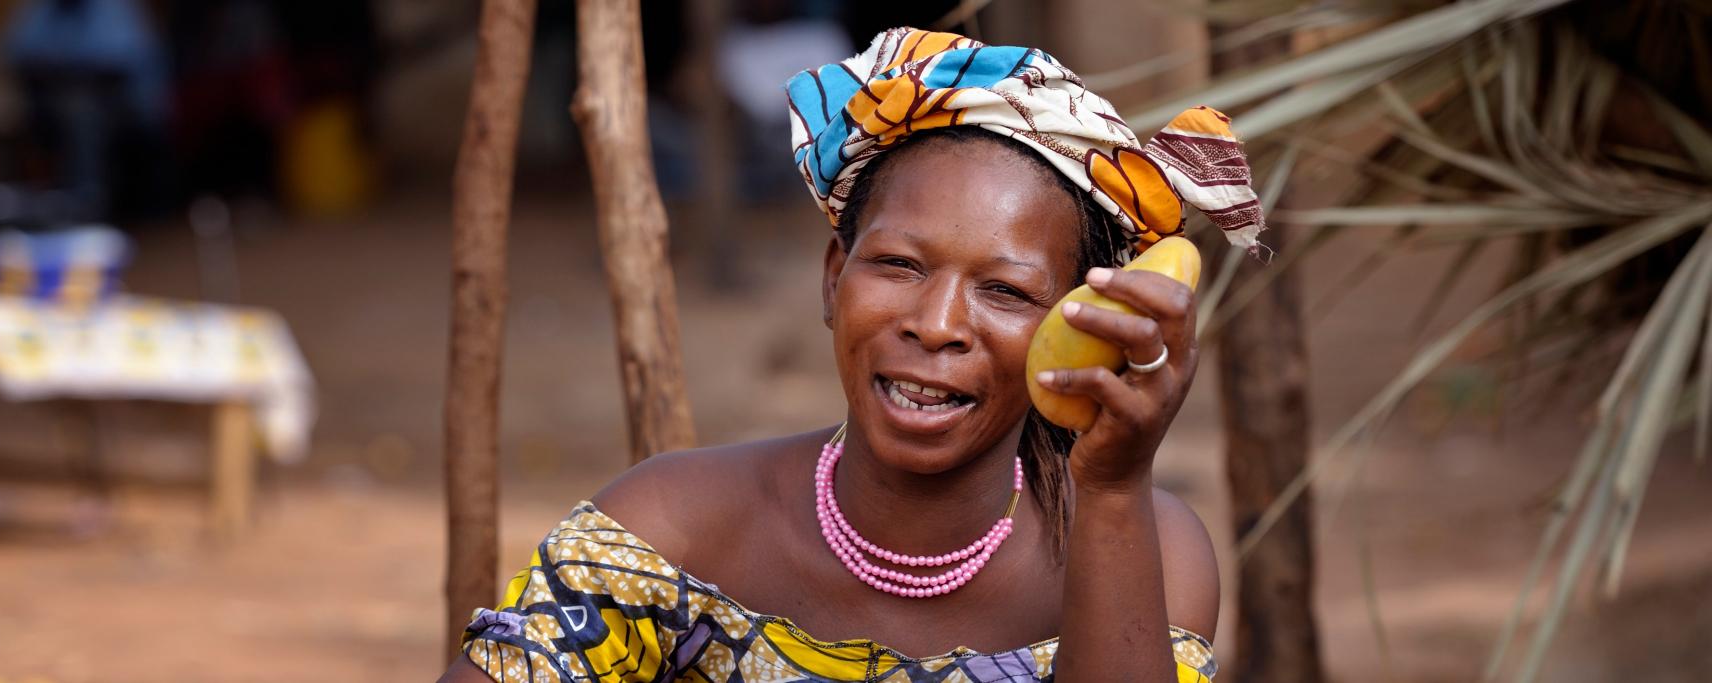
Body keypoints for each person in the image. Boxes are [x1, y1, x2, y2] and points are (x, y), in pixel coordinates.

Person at [439, 28, 1267, 682]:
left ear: (1082, 326)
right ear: (835, 277)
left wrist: (1114, 490)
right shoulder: (674, 532)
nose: (937, 324)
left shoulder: (1145, 544)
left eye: (1005, 292)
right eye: (900, 266)